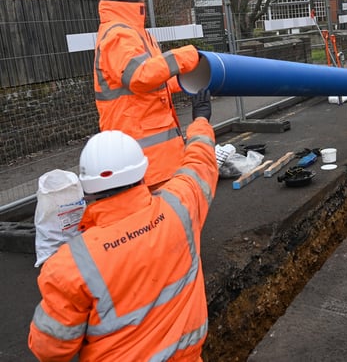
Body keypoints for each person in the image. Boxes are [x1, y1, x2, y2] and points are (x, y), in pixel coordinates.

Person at [29, 89, 217, 362]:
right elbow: (200, 163)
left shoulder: (70, 265)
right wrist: (201, 119)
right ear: (143, 172)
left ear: (88, 188)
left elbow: (49, 349)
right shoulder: (180, 207)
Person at [93, 0, 201, 189]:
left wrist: (184, 83)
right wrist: (185, 56)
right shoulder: (119, 34)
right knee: (162, 220)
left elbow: (152, 79)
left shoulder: (136, 33)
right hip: (140, 157)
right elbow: (138, 77)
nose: (144, 2)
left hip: (154, 156)